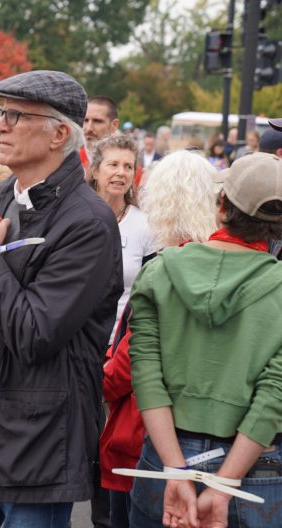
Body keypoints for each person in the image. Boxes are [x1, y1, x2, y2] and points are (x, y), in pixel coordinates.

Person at [0, 70, 122, 527]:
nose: (0, 126)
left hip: (37, 445)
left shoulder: (86, 222)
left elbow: (34, 334)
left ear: (59, 134)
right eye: (0, 113)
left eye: (15, 115)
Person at [128, 152, 282, 528]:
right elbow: (273, 394)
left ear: (221, 206)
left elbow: (147, 376)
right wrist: (226, 481)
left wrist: (175, 468)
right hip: (255, 469)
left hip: (166, 452)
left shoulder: (160, 270)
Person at [99, 150, 219, 527]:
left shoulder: (166, 266)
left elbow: (131, 360)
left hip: (146, 431)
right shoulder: (228, 260)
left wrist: (96, 382)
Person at [89, 134, 155, 343]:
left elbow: (149, 294)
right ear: (95, 170)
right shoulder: (74, 217)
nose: (121, 172)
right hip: (73, 341)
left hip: (118, 345)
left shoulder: (146, 225)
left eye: (128, 166)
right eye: (113, 164)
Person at [82, 96, 120, 176]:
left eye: (97, 121)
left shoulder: (127, 167)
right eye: (85, 120)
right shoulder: (67, 161)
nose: (89, 128)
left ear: (114, 125)